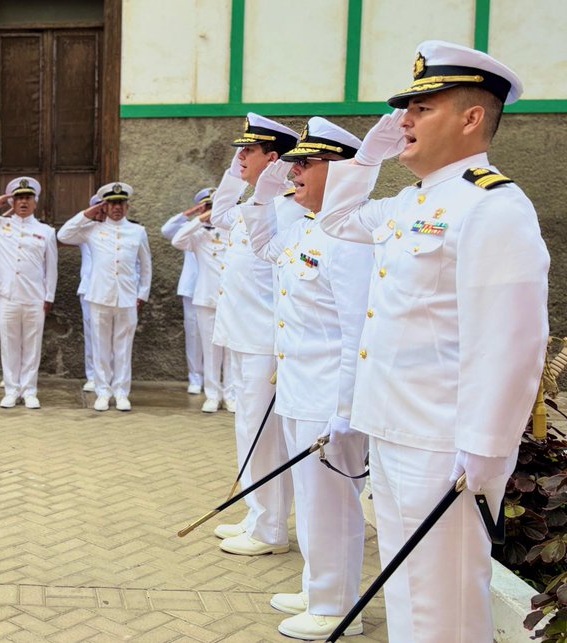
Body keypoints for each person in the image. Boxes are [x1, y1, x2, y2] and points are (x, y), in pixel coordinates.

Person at [319, 40, 548, 642]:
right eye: (404, 110)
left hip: (445, 444)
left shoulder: (492, 206)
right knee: (409, 594)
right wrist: (365, 159)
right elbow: (337, 221)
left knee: (443, 598)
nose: (404, 121)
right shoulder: (407, 204)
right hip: (393, 428)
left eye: (422, 108)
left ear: (472, 118)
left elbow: (511, 341)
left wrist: (485, 452)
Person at [241, 118, 373, 639]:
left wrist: (345, 410)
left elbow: (355, 332)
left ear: (341, 171)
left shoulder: (352, 236)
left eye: (306, 164)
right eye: (293, 162)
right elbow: (261, 246)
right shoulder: (308, 227)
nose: (294, 171)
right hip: (299, 389)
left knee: (332, 503)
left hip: (328, 397)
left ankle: (339, 606)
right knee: (312, 500)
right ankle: (320, 586)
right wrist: (264, 191)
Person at [209, 113, 301, 555]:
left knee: (264, 437)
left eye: (249, 151)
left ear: (275, 158)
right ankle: (258, 513)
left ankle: (270, 529)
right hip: (243, 337)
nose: (240, 156)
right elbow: (220, 214)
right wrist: (236, 174)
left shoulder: (289, 209)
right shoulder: (259, 206)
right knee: (250, 431)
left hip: (267, 342)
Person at [0, 177, 58, 409]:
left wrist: (49, 297)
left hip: (35, 296)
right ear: (12, 202)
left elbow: (51, 267)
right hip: (6, 295)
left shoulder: (45, 231)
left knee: (32, 344)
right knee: (9, 343)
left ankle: (29, 390)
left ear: (35, 202)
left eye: (27, 198)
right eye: (18, 198)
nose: (23, 202)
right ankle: (11, 389)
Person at [58, 183, 151, 412]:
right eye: (111, 203)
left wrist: (142, 294)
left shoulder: (137, 232)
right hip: (99, 296)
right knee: (100, 347)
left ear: (127, 206)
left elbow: (146, 266)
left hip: (127, 297)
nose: (116, 207)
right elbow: (64, 234)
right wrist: (88, 214)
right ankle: (103, 391)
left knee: (123, 347)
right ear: (104, 206)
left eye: (120, 203)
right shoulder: (92, 230)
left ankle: (121, 392)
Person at [168, 189, 233, 413]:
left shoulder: (236, 233)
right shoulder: (201, 235)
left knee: (230, 350)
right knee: (210, 349)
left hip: (232, 301)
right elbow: (176, 238)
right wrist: (201, 218)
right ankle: (213, 394)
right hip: (206, 299)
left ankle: (230, 394)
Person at [160, 191, 206, 395]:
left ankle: (220, 381)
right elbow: (167, 230)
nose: (210, 210)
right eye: (206, 205)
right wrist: (194, 214)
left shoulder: (225, 226)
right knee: (194, 335)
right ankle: (195, 377)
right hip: (192, 289)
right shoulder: (191, 229)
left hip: (219, 290)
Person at [77, 192, 104, 393]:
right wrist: (86, 214)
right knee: (91, 335)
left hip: (117, 290)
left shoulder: (128, 230)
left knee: (114, 337)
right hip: (88, 289)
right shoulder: (84, 231)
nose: (100, 212)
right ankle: (93, 376)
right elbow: (65, 232)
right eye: (97, 208)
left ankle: (110, 377)